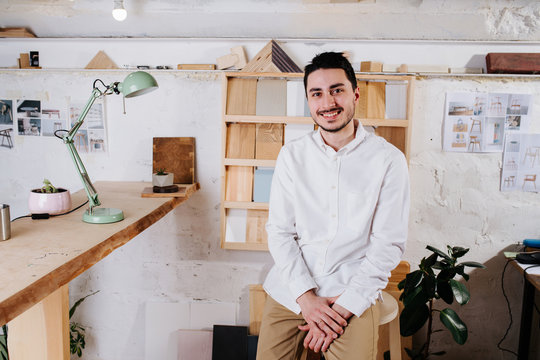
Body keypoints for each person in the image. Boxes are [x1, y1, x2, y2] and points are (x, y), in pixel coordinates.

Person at [256, 52, 410, 360]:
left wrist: (341, 310)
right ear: (309, 101)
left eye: (337, 90)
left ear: (355, 94)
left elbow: (387, 246)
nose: (328, 102)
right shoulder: (292, 155)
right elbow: (280, 232)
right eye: (317, 93)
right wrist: (307, 299)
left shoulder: (388, 160)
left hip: (352, 291)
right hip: (292, 290)